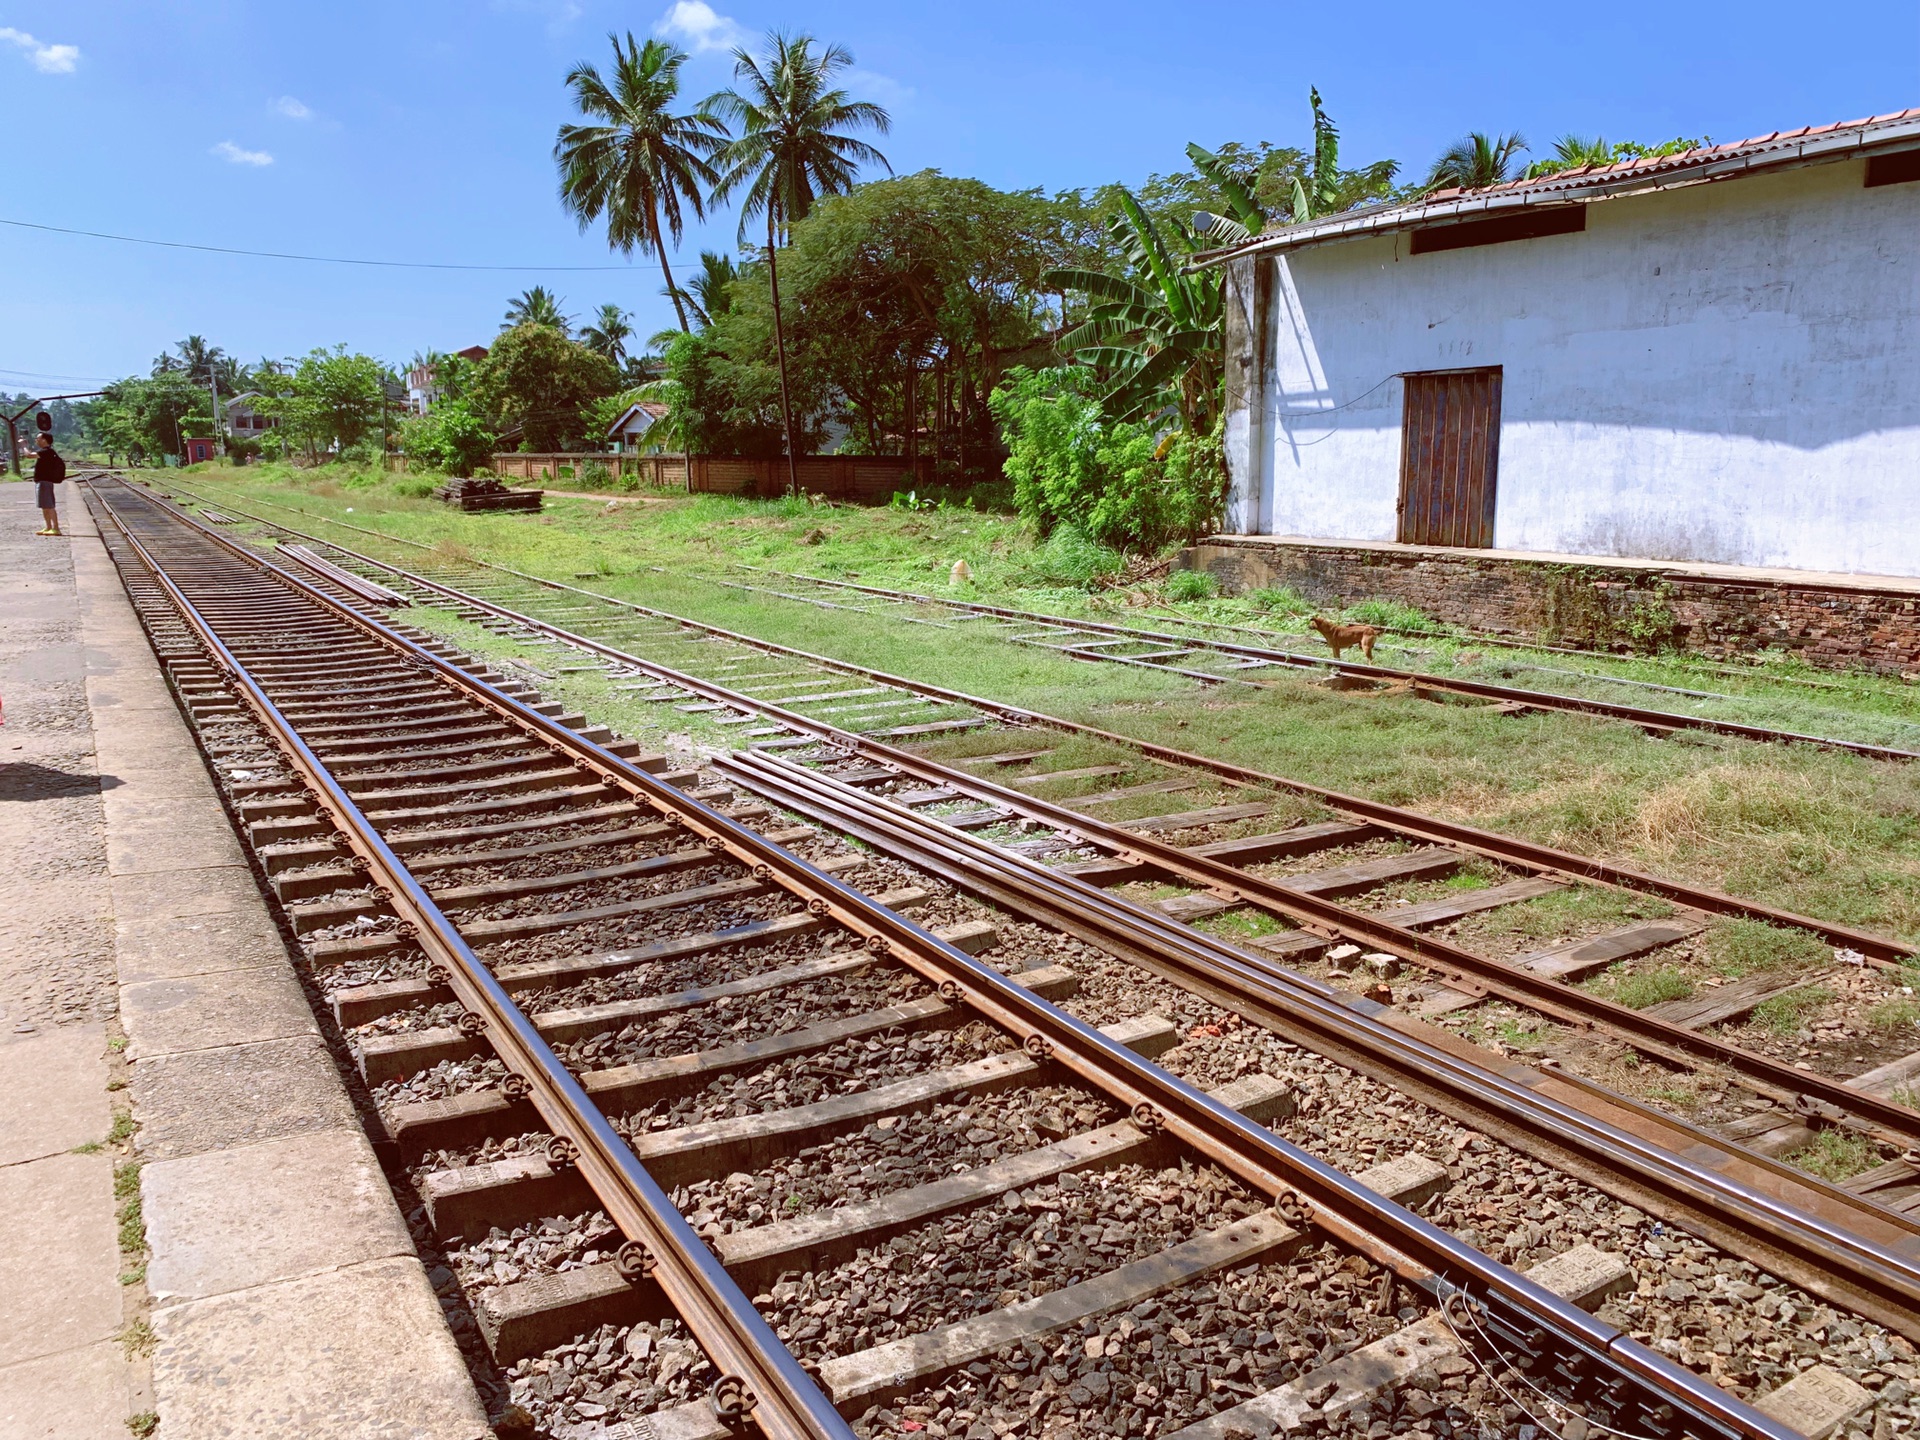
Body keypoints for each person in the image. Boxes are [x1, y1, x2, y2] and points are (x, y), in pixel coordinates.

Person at [32, 432, 65, 536]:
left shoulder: (47, 452)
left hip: (45, 482)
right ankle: (48, 527)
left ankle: (56, 528)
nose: (36, 440)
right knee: (44, 506)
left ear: (44, 440)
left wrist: (23, 446)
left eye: (37, 438)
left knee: (49, 506)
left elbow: (28, 455)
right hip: (42, 482)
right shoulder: (47, 452)